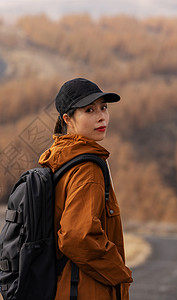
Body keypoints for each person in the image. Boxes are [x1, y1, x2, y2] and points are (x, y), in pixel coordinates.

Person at [39, 78, 133, 300]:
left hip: (65, 285)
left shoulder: (61, 158)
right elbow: (77, 236)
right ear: (67, 119)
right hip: (86, 289)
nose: (101, 116)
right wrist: (119, 273)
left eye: (104, 107)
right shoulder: (87, 169)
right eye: (89, 110)